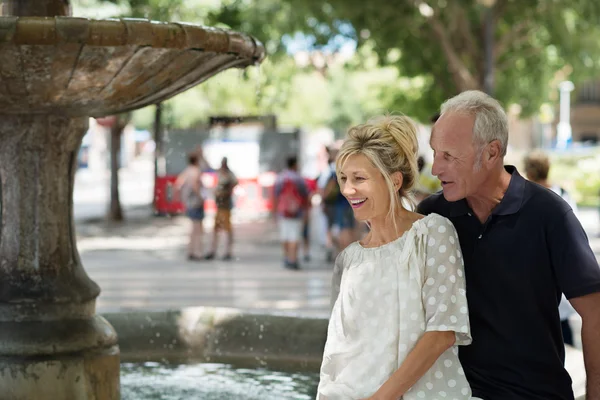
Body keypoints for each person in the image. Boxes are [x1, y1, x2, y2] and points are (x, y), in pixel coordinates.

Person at [417, 90, 600, 399]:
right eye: (435, 153)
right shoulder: (432, 216)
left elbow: (594, 312)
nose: (435, 168)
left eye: (449, 156)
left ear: (492, 152)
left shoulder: (550, 214)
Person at [319, 116, 472, 400]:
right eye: (343, 178)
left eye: (359, 178)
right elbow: (339, 349)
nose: (347, 189)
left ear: (394, 180)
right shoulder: (350, 259)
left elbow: (443, 332)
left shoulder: (432, 234)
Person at [523, 149, 579, 346]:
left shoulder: (524, 199)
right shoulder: (563, 194)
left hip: (536, 288)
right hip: (562, 287)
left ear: (528, 171)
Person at [274, 156, 309, 270]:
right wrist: (306, 210)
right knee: (294, 236)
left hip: (283, 211)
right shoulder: (298, 178)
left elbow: (276, 195)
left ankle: (286, 258)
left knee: (285, 235)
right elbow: (305, 195)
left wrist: (276, 210)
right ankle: (293, 260)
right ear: (294, 164)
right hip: (296, 211)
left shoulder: (280, 177)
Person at [205, 157, 238, 261]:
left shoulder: (229, 176)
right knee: (217, 229)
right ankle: (214, 250)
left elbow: (234, 183)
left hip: (225, 205)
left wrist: (226, 191)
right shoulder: (220, 174)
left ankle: (227, 251)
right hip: (219, 206)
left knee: (226, 229)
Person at [175, 150, 206, 261]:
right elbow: (194, 184)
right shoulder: (196, 171)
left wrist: (183, 198)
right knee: (198, 228)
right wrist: (200, 196)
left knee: (193, 228)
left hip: (189, 203)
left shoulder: (187, 171)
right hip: (196, 202)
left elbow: (178, 184)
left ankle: (191, 250)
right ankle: (198, 252)